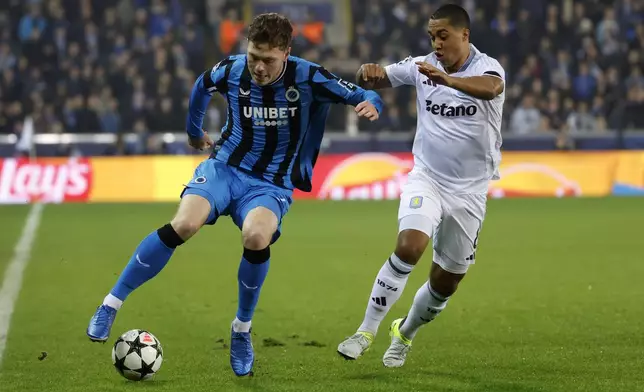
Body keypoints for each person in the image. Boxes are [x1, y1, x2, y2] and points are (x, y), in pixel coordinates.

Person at [86, 12, 383, 377]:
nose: (258, 67)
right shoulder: (231, 69)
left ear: (286, 53)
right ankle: (111, 303)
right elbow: (200, 86)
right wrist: (194, 132)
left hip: (270, 183)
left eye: (268, 60)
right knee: (184, 223)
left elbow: (364, 93)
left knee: (256, 236)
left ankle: (241, 330)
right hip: (225, 167)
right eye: (254, 56)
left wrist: (372, 104)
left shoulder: (310, 76)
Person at [337, 4, 505, 368]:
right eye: (432, 36)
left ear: (465, 35)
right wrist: (369, 72)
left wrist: (446, 80)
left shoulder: (487, 68)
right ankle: (364, 332)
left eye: (443, 35)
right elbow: (381, 76)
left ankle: (405, 333)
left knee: (446, 282)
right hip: (427, 178)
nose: (436, 43)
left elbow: (491, 89)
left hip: (470, 192)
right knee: (409, 246)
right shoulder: (420, 66)